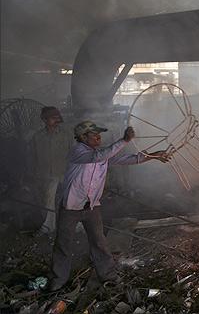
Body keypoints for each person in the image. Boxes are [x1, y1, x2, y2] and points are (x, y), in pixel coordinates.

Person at [49, 120, 169, 291]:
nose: (99, 137)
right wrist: (124, 140)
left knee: (99, 242)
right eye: (94, 134)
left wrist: (153, 155)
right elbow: (100, 156)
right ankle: (58, 280)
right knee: (63, 244)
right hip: (71, 207)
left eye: (99, 134)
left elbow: (126, 159)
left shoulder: (99, 153)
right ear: (83, 137)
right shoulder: (78, 152)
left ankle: (108, 276)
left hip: (91, 207)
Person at [28, 106, 73, 235]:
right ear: (44, 119)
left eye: (57, 117)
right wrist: (34, 173)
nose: (56, 120)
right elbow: (32, 157)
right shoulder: (37, 137)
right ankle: (48, 226)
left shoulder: (66, 135)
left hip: (65, 172)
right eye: (53, 118)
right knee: (48, 200)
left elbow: (73, 153)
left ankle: (76, 225)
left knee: (71, 200)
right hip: (46, 174)